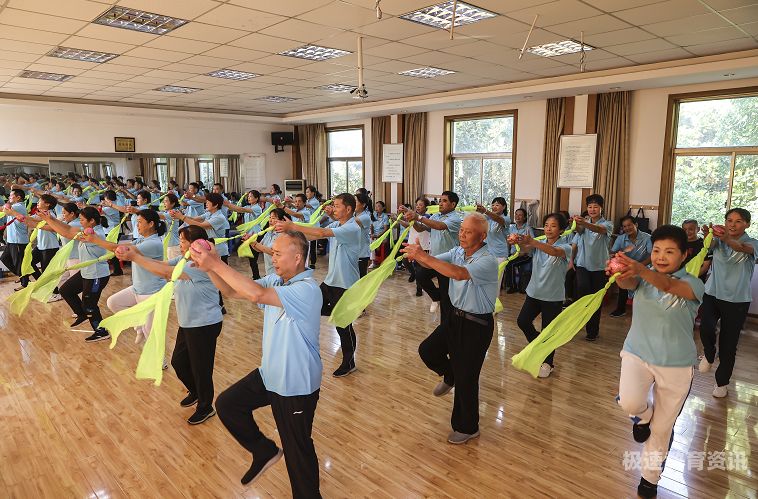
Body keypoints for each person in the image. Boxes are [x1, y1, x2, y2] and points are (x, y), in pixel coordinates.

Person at [192, 230, 322, 497]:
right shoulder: (278, 280)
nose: (272, 258)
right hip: (270, 374)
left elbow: (257, 295)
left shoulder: (307, 290)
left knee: (297, 449)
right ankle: (263, 449)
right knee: (228, 404)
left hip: (295, 383)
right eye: (272, 253)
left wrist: (215, 263)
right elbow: (230, 291)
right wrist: (210, 266)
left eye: (277, 253)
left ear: (298, 258)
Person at [613, 225, 705, 499]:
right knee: (629, 401)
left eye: (669, 251)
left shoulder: (693, 283)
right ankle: (642, 416)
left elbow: (667, 285)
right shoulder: (643, 278)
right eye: (655, 251)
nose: (661, 257)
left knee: (663, 428)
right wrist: (620, 272)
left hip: (676, 365)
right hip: (637, 353)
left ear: (684, 255)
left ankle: (649, 479)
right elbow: (628, 283)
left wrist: (641, 269)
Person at [405, 212, 498, 444]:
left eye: (468, 231)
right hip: (455, 319)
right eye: (462, 230)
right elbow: (437, 261)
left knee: (468, 378)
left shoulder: (487, 260)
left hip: (477, 325)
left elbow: (457, 274)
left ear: (482, 236)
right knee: (427, 350)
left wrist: (423, 258)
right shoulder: (458, 251)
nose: (462, 234)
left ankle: (468, 427)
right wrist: (420, 256)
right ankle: (450, 373)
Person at [117, 225, 224, 425]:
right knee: (179, 362)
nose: (179, 244)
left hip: (204, 324)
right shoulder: (185, 260)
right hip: (188, 322)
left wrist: (135, 258)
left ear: (195, 244)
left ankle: (206, 406)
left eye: (182, 241)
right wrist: (133, 253)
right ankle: (196, 391)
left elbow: (165, 272)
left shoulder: (199, 266)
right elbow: (163, 264)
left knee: (202, 369)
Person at [276, 193, 361, 377]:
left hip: (345, 284)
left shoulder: (352, 228)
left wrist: (292, 225)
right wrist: (291, 233)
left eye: (337, 206)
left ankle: (349, 361)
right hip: (331, 281)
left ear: (348, 209)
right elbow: (314, 235)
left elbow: (322, 233)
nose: (333, 209)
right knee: (311, 307)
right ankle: (339, 313)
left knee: (343, 326)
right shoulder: (338, 224)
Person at [81, 209, 166, 345]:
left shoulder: (153, 243)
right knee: (114, 302)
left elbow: (120, 249)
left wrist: (96, 240)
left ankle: (160, 363)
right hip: (138, 288)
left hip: (151, 292)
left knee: (151, 332)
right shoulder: (143, 240)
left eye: (139, 222)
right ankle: (138, 325)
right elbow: (120, 247)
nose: (137, 225)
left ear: (151, 224)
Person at [698, 208, 757, 398]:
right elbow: (710, 245)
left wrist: (725, 239)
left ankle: (722, 383)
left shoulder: (753, 243)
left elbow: (741, 248)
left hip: (737, 300)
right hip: (712, 294)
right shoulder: (719, 242)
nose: (732, 224)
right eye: (729, 220)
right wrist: (708, 235)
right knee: (705, 328)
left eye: (738, 221)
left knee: (729, 344)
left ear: (747, 224)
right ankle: (709, 352)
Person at [37, 207, 112, 343]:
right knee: (66, 290)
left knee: (89, 304)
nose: (80, 222)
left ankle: (101, 331)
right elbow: (68, 229)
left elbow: (67, 233)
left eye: (82, 220)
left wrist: (49, 219)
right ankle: (82, 314)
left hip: (97, 275)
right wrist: (51, 219)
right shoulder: (87, 231)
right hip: (86, 273)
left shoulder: (94, 235)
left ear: (92, 221)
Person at [515, 213, 572, 378]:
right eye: (546, 225)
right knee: (523, 321)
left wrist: (533, 242)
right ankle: (540, 347)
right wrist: (519, 243)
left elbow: (554, 251)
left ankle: (548, 363)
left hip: (552, 297)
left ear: (561, 230)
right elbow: (524, 251)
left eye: (553, 226)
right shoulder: (538, 244)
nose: (548, 228)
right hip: (534, 292)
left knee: (548, 331)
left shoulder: (566, 246)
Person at [403, 191, 462, 315]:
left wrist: (418, 217)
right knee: (420, 276)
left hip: (448, 262)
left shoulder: (455, 218)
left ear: (453, 204)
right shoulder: (435, 216)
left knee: (446, 298)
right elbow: (421, 228)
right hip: (435, 259)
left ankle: (446, 325)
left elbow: (440, 226)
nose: (440, 203)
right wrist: (411, 219)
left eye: (444, 201)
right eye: (440, 200)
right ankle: (436, 297)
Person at [173, 192, 230, 312]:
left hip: (218, 251)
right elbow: (195, 219)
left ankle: (219, 306)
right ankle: (217, 305)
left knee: (217, 280)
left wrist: (182, 217)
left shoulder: (219, 217)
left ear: (215, 205)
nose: (206, 204)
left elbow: (201, 225)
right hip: (208, 251)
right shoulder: (209, 213)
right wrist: (180, 216)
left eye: (208, 202)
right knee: (210, 279)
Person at [571, 194, 613, 341]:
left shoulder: (608, 224)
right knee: (582, 293)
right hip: (582, 265)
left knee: (595, 300)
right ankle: (577, 325)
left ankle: (592, 331)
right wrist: (576, 223)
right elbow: (579, 233)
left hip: (600, 267)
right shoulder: (585, 223)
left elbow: (599, 230)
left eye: (595, 206)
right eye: (589, 206)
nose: (592, 209)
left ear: (601, 208)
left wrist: (584, 223)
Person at [609, 216, 652, 318]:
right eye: (624, 226)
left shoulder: (647, 238)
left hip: (644, 267)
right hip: (626, 268)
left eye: (629, 225)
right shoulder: (621, 238)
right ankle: (621, 309)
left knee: (643, 290)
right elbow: (613, 252)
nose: (627, 228)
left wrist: (639, 267)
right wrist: (619, 253)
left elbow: (652, 256)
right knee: (622, 280)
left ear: (636, 225)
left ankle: (644, 312)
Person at [397, 198, 430, 296]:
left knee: (419, 268)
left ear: (426, 207)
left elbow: (419, 227)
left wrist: (407, 212)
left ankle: (419, 289)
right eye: (417, 204)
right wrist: (398, 218)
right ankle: (413, 274)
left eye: (420, 205)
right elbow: (408, 224)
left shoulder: (427, 217)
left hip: (422, 246)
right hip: (411, 244)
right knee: (405, 260)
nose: (418, 206)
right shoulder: (414, 216)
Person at [226, 190, 263, 278]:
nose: (248, 198)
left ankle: (256, 277)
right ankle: (256, 276)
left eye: (250, 196)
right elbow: (239, 208)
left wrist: (227, 204)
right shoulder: (248, 206)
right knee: (249, 258)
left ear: (256, 198)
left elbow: (242, 209)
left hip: (255, 235)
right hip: (248, 235)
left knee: (253, 259)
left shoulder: (257, 208)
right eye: (248, 196)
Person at [476, 197, 510, 288]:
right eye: (493, 205)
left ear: (504, 207)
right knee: (485, 281)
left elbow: (499, 219)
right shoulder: (487, 218)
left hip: (499, 255)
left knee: (495, 283)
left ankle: (494, 302)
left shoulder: (506, 219)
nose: (494, 207)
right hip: (487, 253)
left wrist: (485, 211)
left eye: (497, 205)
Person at [1, 188, 30, 290]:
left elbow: (4, 209)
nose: (9, 197)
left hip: (18, 240)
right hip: (12, 240)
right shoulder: (14, 207)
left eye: (11, 195)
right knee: (4, 258)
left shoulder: (18, 207)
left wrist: (6, 205)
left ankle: (25, 283)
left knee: (19, 263)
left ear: (18, 198)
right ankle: (23, 277)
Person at [249, 208, 291, 277]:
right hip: (269, 271)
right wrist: (251, 242)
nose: (270, 220)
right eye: (270, 217)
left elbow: (273, 252)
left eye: (273, 218)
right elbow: (259, 249)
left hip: (280, 274)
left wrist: (255, 243)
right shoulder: (269, 232)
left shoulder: (283, 235)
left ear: (282, 220)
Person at [505, 208, 534, 294]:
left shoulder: (528, 229)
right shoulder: (512, 227)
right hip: (514, 254)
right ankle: (512, 286)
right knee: (507, 262)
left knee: (510, 264)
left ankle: (513, 286)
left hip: (525, 254)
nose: (517, 216)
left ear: (524, 217)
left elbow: (532, 243)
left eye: (520, 215)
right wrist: (508, 253)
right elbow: (508, 242)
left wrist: (523, 252)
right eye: (516, 214)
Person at [354, 192, 373, 278]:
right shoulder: (355, 215)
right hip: (353, 252)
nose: (353, 204)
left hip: (362, 254)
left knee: (360, 279)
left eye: (356, 201)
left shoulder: (365, 217)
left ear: (363, 204)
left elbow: (350, 221)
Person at [370, 200, 389, 268]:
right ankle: (373, 261)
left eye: (379, 206)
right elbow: (371, 226)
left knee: (374, 243)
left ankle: (374, 261)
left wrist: (378, 236)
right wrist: (372, 234)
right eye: (376, 206)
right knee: (369, 241)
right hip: (374, 235)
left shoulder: (385, 216)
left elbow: (385, 229)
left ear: (383, 208)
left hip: (382, 235)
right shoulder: (374, 214)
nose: (376, 208)